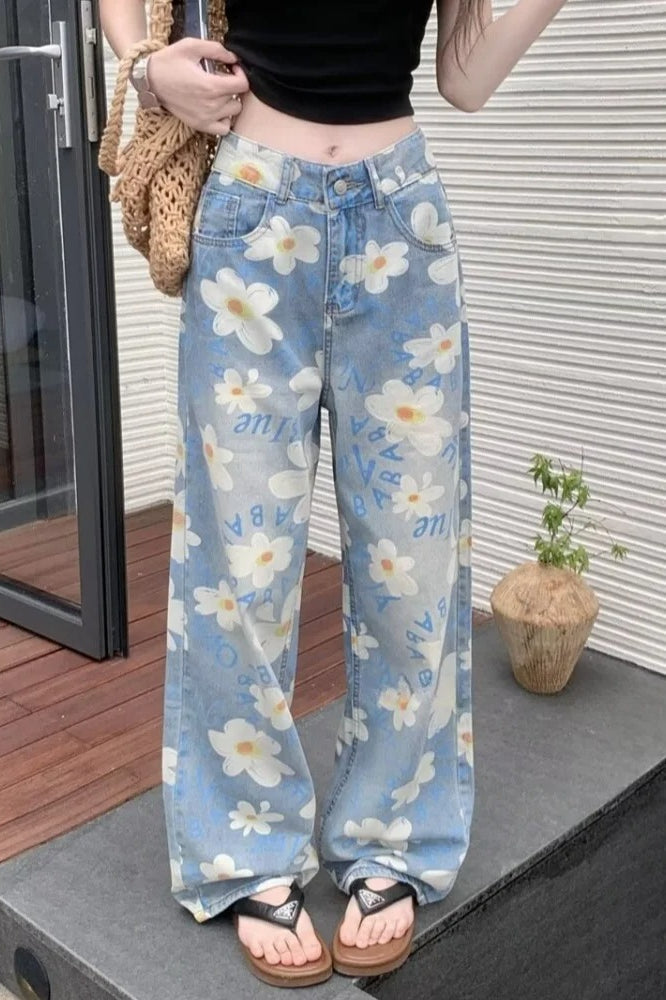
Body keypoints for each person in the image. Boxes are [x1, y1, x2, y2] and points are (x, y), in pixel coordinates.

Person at [101, 0, 568, 987]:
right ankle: (248, 849)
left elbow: (465, 78)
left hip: (399, 214)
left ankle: (393, 834)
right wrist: (145, 67)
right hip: (251, 209)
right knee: (240, 565)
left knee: (413, 561)